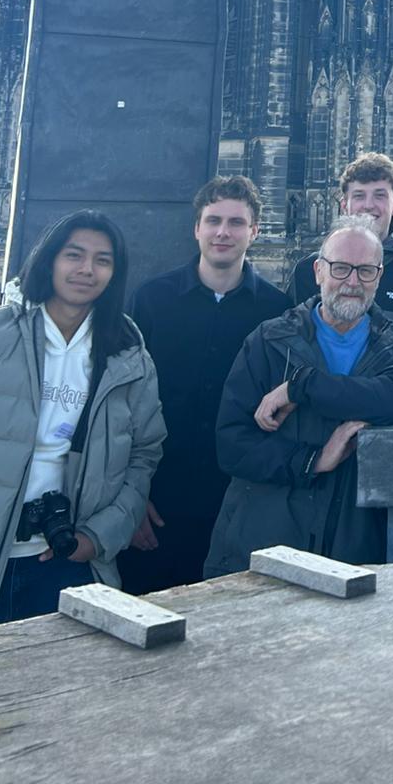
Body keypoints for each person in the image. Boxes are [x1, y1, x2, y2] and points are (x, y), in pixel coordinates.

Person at [0, 211, 164, 636]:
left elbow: (144, 456)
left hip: (67, 568)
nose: (87, 269)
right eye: (74, 255)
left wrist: (97, 538)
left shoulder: (129, 357)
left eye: (103, 260)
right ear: (49, 260)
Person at [204, 216, 393, 574]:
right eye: (340, 268)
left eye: (365, 271)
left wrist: (300, 387)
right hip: (265, 544)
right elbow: (232, 444)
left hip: (357, 550)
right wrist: (313, 460)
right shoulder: (269, 341)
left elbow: (391, 399)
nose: (352, 282)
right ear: (318, 271)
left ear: (379, 277)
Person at [119, 175, 289, 594]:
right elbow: (120, 405)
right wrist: (128, 501)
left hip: (235, 504)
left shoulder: (277, 312)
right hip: (155, 504)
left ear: (254, 231)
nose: (222, 232)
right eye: (213, 220)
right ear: (197, 228)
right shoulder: (151, 300)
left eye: (236, 222)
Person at [287, 152, 393, 328]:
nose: (368, 205)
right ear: (344, 205)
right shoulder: (306, 272)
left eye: (379, 195)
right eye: (359, 195)